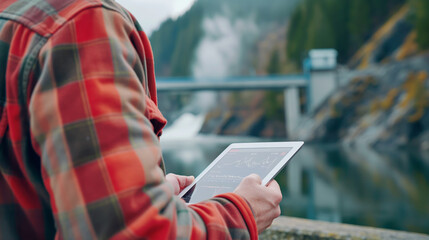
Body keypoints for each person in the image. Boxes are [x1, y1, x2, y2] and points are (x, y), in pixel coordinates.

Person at [0, 0, 282, 239]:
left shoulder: (14, 21)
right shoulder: (79, 25)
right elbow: (130, 231)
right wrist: (242, 212)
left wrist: (144, 194)